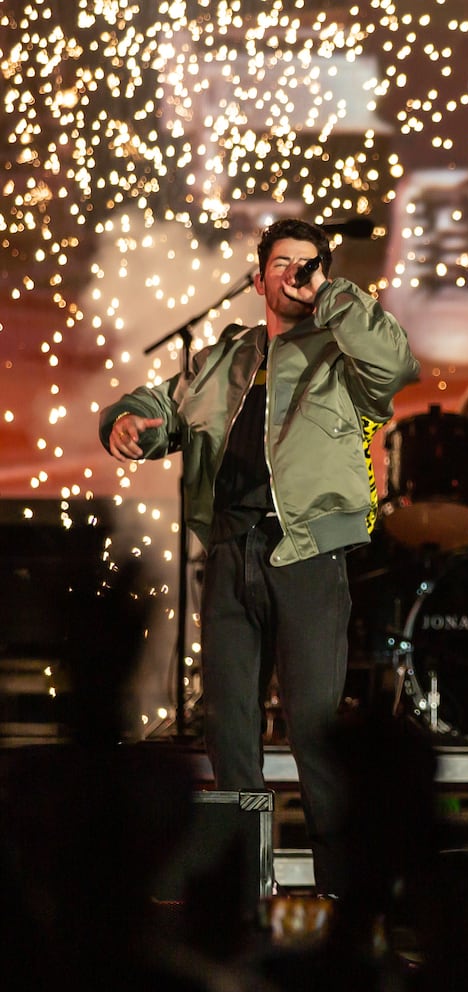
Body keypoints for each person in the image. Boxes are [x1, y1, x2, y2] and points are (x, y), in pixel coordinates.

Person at [100, 218, 420, 897]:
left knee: (314, 728)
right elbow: (164, 406)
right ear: (258, 279)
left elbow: (397, 363)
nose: (296, 275)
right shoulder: (225, 357)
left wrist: (333, 297)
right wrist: (127, 420)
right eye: (284, 264)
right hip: (230, 548)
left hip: (304, 549)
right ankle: (243, 888)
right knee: (230, 726)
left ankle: (343, 897)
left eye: (309, 264)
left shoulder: (342, 352)